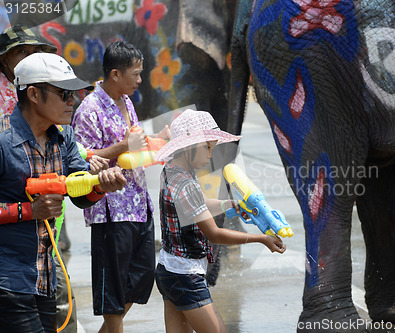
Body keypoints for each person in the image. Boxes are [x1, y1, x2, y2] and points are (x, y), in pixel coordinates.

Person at [0, 52, 126, 333]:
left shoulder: (64, 137)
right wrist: (29, 211)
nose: (73, 101)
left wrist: (100, 186)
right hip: (7, 280)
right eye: (64, 93)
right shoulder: (3, 140)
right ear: (33, 94)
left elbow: (81, 194)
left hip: (46, 278)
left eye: (74, 93)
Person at [153, 109, 287, 333]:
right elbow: (214, 234)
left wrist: (229, 205)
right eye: (206, 147)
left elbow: (201, 202)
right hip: (186, 275)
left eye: (212, 148)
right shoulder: (185, 183)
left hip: (168, 268)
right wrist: (261, 239)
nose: (210, 154)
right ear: (187, 146)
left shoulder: (173, 170)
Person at [72, 40, 169, 333]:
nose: (140, 80)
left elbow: (134, 147)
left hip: (139, 205)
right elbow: (79, 159)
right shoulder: (88, 109)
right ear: (115, 74)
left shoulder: (126, 100)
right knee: (113, 297)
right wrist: (122, 146)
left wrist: (158, 139)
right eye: (135, 74)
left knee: (141, 280)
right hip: (109, 211)